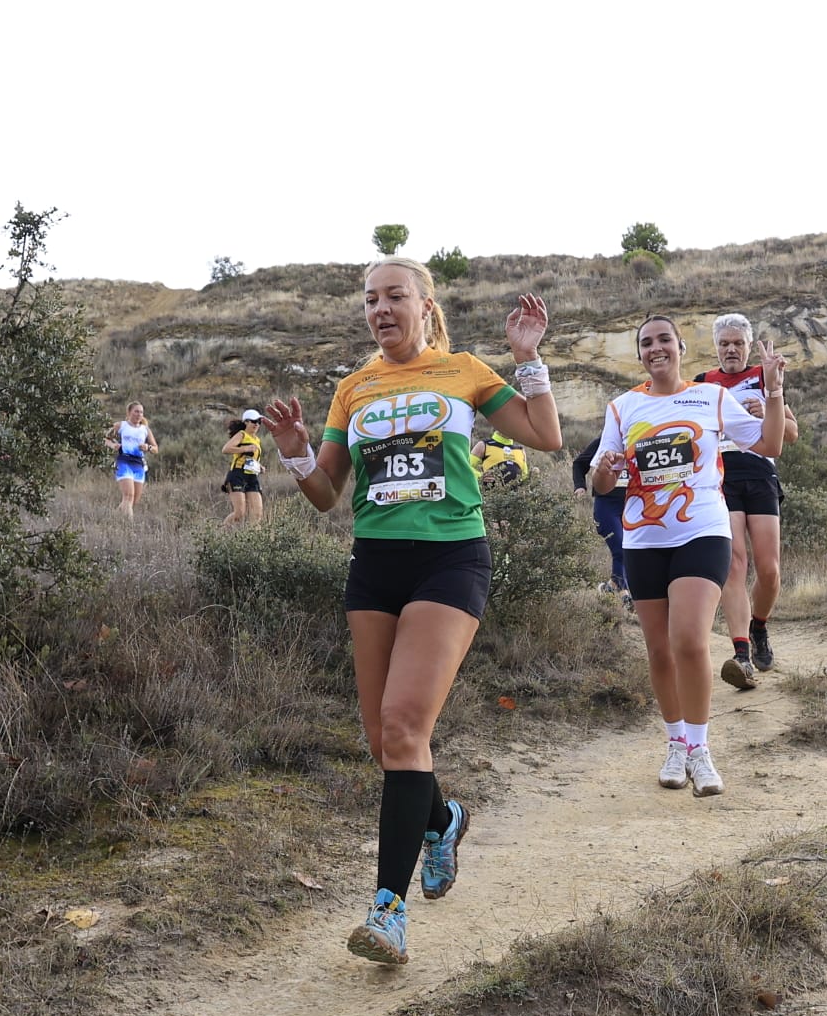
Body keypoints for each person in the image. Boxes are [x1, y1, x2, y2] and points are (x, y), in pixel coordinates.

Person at [262, 257, 560, 966]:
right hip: (375, 565)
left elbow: (543, 436)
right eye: (370, 299)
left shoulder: (463, 372)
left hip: (449, 560)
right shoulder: (353, 387)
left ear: (425, 305)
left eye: (395, 296)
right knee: (385, 743)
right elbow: (326, 494)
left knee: (403, 727)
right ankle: (444, 817)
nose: (380, 308)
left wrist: (528, 360)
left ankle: (387, 914)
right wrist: (298, 455)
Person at [589, 314, 786, 797]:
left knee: (690, 641)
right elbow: (601, 481)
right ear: (639, 354)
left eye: (664, 340)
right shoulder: (623, 407)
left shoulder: (711, 396)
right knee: (658, 649)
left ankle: (700, 751)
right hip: (644, 539)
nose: (656, 349)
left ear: (680, 346)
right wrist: (608, 469)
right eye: (646, 343)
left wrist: (776, 396)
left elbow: (769, 443)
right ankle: (675, 742)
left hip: (702, 529)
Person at [694, 314, 800, 689]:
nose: (731, 349)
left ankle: (759, 626)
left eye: (737, 343)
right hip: (721, 477)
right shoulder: (703, 384)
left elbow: (791, 434)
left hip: (759, 472)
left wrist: (767, 409)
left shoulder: (763, 376)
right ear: (716, 347)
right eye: (724, 343)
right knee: (734, 563)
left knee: (769, 569)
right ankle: (741, 655)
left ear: (748, 344)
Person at [572, 438, 629, 600]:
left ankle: (611, 587)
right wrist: (580, 486)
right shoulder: (605, 441)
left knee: (631, 550)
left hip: (633, 505)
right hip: (607, 506)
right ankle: (625, 595)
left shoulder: (640, 438)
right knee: (620, 548)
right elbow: (579, 463)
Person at [104, 401, 158, 519]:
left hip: (138, 464)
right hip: (124, 461)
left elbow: (155, 448)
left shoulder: (145, 429)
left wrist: (147, 447)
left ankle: (112, 519)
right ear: (129, 412)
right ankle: (130, 527)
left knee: (133, 501)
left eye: (141, 412)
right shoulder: (120, 425)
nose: (139, 414)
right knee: (128, 495)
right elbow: (106, 439)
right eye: (136, 411)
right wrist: (113, 445)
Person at [220, 410, 267, 526]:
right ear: (246, 422)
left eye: (259, 421)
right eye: (254, 421)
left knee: (257, 514)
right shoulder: (242, 434)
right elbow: (226, 449)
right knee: (239, 514)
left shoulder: (256, 439)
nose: (257, 424)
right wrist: (245, 449)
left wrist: (259, 466)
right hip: (237, 475)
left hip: (252, 476)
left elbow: (251, 458)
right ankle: (218, 533)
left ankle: (254, 541)